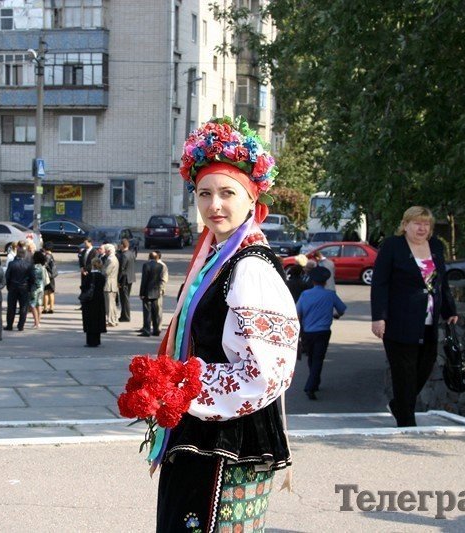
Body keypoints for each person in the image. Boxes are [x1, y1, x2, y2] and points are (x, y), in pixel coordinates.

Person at [154, 117, 298, 532]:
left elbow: (267, 372)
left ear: (252, 199)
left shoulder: (251, 268)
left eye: (227, 193)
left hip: (229, 437)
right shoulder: (218, 259)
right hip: (204, 429)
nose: (214, 205)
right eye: (204, 194)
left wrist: (183, 384)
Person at [371, 205, 458, 427]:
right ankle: (407, 422)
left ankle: (400, 405)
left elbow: (442, 282)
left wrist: (449, 310)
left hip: (428, 321)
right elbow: (380, 284)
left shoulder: (436, 246)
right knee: (404, 373)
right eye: (417, 223)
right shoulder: (392, 246)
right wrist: (379, 317)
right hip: (399, 321)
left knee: (425, 367)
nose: (422, 228)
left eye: (426, 224)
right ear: (406, 224)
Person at [296, 266, 347, 400]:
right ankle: (311, 386)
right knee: (318, 359)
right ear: (325, 282)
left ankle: (314, 382)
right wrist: (336, 315)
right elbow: (341, 309)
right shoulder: (330, 295)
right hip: (323, 331)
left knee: (312, 358)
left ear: (312, 281)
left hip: (307, 332)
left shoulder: (305, 295)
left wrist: (299, 331)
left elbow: (298, 313)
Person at [5, 248, 34, 331]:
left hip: (13, 287)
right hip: (24, 287)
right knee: (23, 307)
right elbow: (32, 277)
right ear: (24, 255)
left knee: (11, 307)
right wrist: (30, 287)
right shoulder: (28, 264)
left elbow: (7, 276)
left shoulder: (12, 264)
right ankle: (21, 325)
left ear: (17, 254)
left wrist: (8, 286)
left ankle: (9, 325)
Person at [80, 257, 107, 347]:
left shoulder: (89, 276)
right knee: (97, 320)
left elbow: (84, 287)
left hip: (90, 301)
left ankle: (90, 341)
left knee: (90, 320)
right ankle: (97, 340)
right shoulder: (102, 276)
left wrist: (84, 276)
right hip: (99, 300)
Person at [139, 251, 165, 337]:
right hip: (156, 291)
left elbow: (144, 280)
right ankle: (156, 329)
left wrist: (141, 292)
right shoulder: (160, 266)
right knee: (155, 312)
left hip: (147, 292)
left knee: (147, 312)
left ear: (149, 257)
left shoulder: (146, 265)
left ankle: (147, 330)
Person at [117, 238, 136, 322]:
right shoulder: (131, 253)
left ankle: (126, 316)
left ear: (122, 245)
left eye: (120, 245)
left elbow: (122, 269)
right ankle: (123, 315)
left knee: (124, 298)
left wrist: (118, 280)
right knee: (125, 297)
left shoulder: (124, 255)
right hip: (130, 278)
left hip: (125, 279)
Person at [29, 250, 48, 328]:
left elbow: (32, 278)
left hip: (34, 288)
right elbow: (45, 279)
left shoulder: (34, 267)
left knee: (32, 305)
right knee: (39, 304)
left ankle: (36, 322)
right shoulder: (43, 267)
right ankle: (38, 322)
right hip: (41, 287)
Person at [102, 243, 119, 326]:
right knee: (112, 304)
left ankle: (111, 321)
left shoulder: (111, 259)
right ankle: (114, 320)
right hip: (112, 284)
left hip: (109, 285)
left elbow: (106, 272)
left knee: (109, 305)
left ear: (109, 251)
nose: (104, 251)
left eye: (105, 250)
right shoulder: (113, 258)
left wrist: (101, 269)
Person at [42, 242, 58, 314]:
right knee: (51, 292)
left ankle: (45, 308)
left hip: (47, 276)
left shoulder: (47, 256)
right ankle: (51, 307)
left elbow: (44, 265)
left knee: (46, 292)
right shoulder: (51, 255)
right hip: (52, 276)